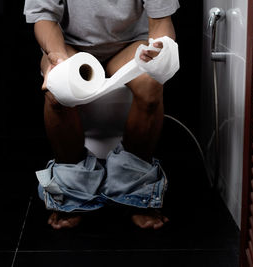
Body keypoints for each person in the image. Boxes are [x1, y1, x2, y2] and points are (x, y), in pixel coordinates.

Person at [24, 0, 180, 230]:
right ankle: (72, 195)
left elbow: (161, 22)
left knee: (150, 84)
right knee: (58, 92)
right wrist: (58, 58)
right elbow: (44, 18)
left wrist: (158, 49)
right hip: (69, 47)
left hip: (130, 46)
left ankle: (136, 193)